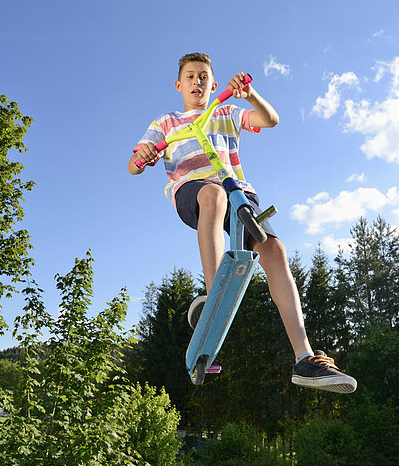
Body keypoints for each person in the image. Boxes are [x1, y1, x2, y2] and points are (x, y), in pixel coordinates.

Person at [129, 52, 357, 394]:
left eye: (204, 76)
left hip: (237, 190)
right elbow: (134, 164)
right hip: (193, 191)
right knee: (213, 196)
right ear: (179, 85)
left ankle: (304, 358)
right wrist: (143, 156)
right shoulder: (166, 122)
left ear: (214, 84)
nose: (197, 81)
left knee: (274, 251)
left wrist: (249, 95)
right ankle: (213, 294)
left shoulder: (224, 112)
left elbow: (270, 120)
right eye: (190, 76)